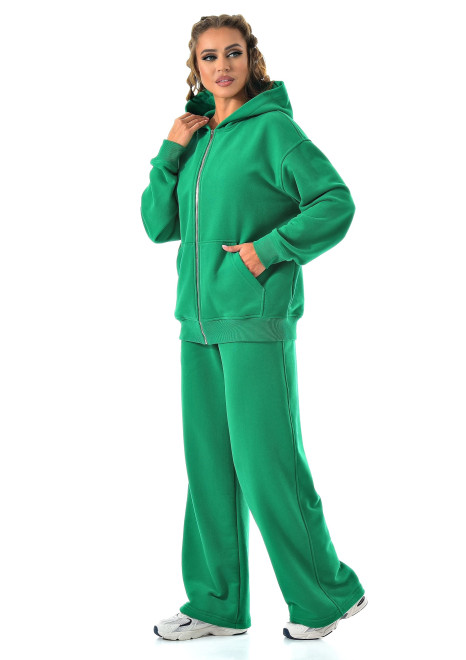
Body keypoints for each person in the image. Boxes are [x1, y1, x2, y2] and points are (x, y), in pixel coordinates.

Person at [140, 14, 368, 642]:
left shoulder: (274, 130)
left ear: (251, 59)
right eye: (209, 56)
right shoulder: (196, 137)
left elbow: (335, 200)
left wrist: (268, 250)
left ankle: (327, 595)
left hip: (255, 318)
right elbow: (157, 224)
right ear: (196, 67)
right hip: (197, 325)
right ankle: (217, 604)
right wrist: (169, 151)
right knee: (209, 468)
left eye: (233, 53)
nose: (223, 66)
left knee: (268, 466)